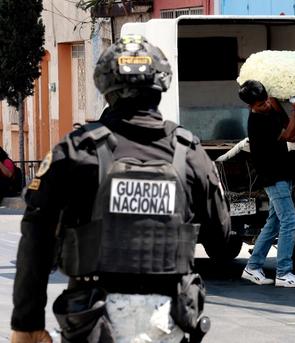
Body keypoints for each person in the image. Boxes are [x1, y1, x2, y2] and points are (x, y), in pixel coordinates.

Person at [10, 35, 231, 342]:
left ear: (105, 87)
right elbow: (220, 235)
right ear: (161, 84)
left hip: (92, 317)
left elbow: (36, 237)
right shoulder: (190, 152)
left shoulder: (76, 150)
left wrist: (27, 324)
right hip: (170, 318)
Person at [238, 80, 295, 288]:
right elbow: (290, 135)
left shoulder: (269, 107)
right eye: (261, 104)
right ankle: (284, 273)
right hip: (273, 177)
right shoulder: (258, 123)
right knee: (290, 221)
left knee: (275, 223)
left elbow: (278, 112)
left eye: (267, 100)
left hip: (281, 174)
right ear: (251, 107)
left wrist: (276, 97)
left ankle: (252, 267)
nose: (266, 105)